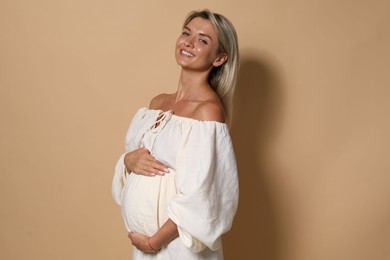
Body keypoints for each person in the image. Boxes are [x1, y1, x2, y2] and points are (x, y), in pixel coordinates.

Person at [112, 9, 239, 260]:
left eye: (203, 40)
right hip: (144, 246)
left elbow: (204, 194)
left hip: (178, 247)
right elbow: (134, 161)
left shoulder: (208, 112)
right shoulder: (157, 104)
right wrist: (128, 161)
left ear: (219, 58)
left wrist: (154, 241)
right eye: (186, 33)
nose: (189, 42)